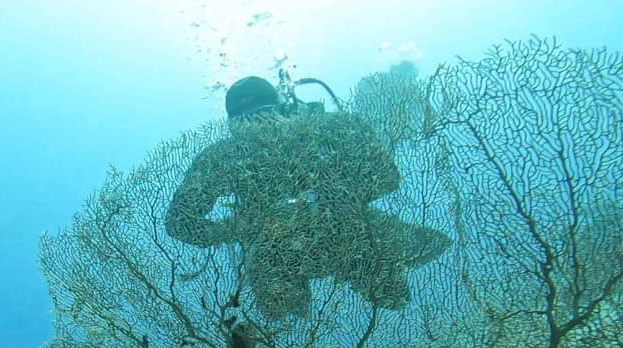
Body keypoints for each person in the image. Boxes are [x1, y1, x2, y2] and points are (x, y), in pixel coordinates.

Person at [165, 75, 449, 320]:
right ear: (232, 128)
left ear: (285, 110)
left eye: (263, 118)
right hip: (275, 254)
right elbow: (179, 221)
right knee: (285, 329)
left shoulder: (326, 129)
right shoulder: (223, 158)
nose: (257, 131)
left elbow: (388, 178)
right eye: (245, 125)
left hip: (346, 232)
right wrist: (246, 225)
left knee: (395, 297)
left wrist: (330, 199)